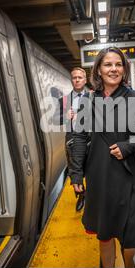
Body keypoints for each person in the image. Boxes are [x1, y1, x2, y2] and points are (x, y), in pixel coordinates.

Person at [69, 47, 135, 268]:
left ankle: (129, 263)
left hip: (128, 171)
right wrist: (76, 173)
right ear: (99, 69)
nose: (113, 69)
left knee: (131, 235)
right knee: (104, 234)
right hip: (99, 172)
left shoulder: (133, 97)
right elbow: (78, 137)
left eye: (118, 64)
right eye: (108, 64)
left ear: (124, 69)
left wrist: (126, 146)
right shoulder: (88, 100)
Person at [60, 67, 88, 212]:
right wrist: (65, 118)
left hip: (89, 139)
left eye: (80, 77)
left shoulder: (94, 97)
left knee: (90, 168)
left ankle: (91, 197)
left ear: (85, 80)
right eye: (74, 78)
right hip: (72, 140)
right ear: (71, 80)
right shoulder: (64, 100)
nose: (77, 80)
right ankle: (81, 195)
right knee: (74, 169)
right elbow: (56, 119)